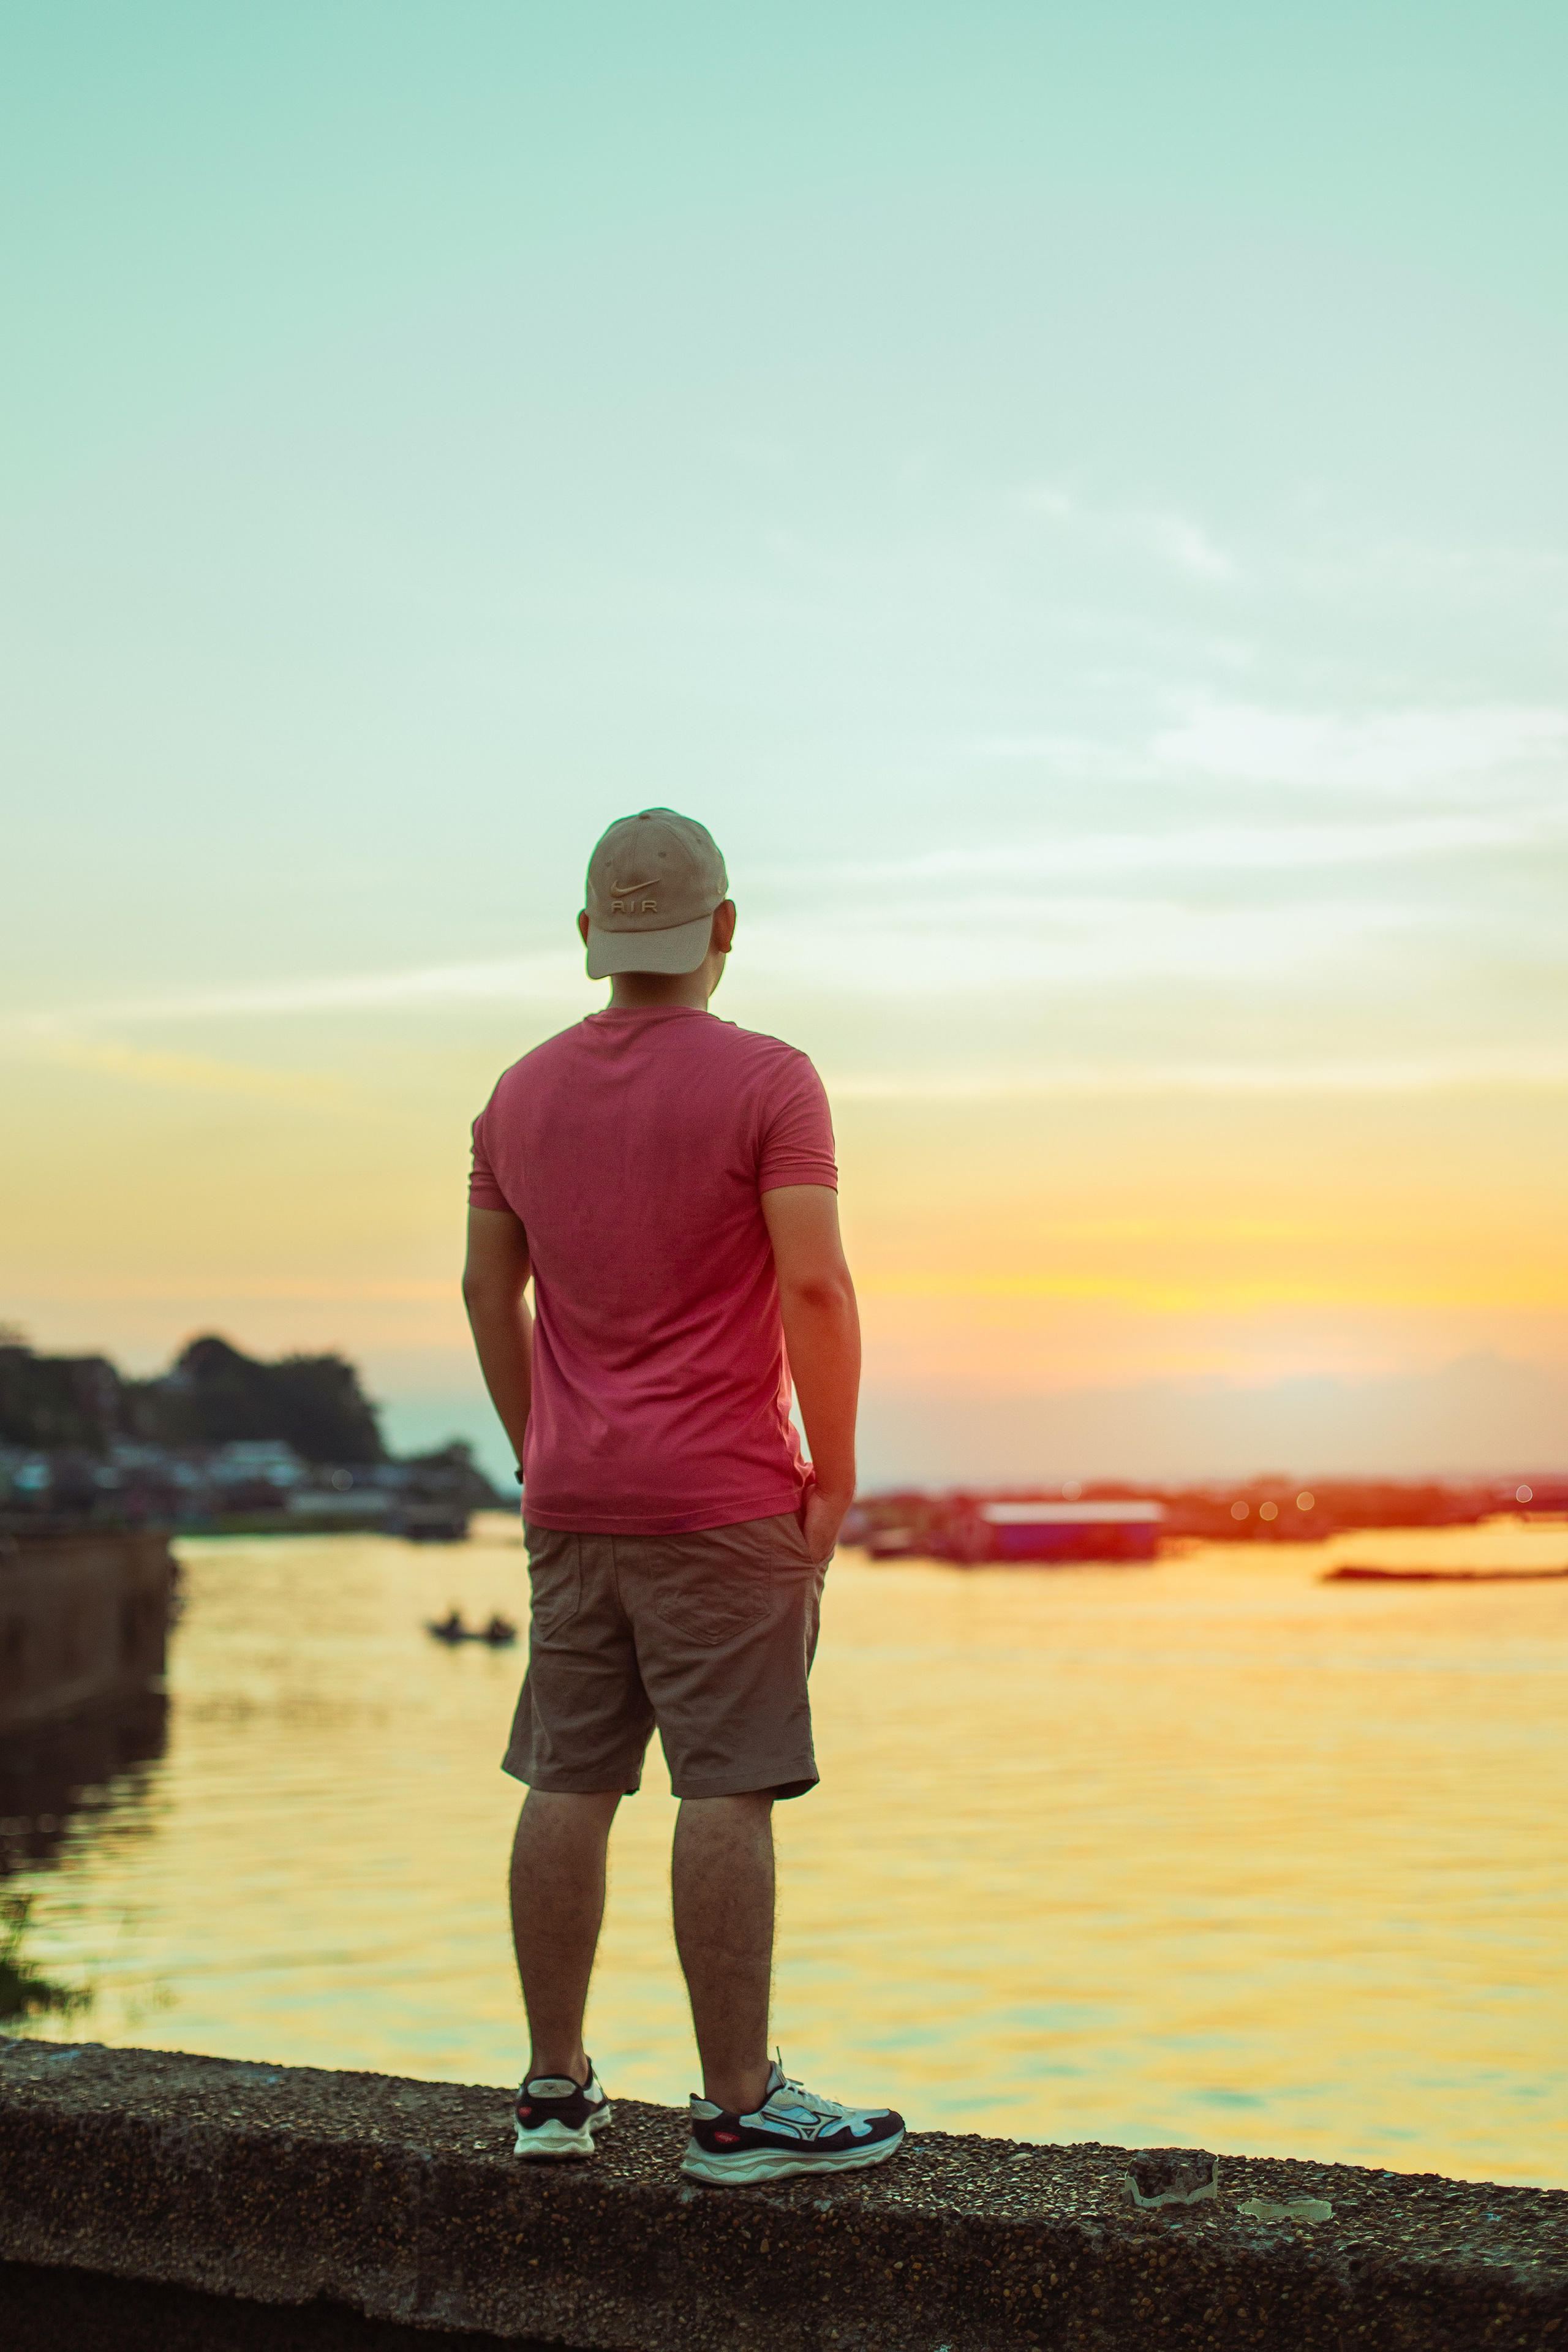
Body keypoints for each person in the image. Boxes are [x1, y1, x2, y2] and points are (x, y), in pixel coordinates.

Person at [462, 807, 904, 2187]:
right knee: (728, 1786)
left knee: (567, 1775)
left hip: (573, 1495)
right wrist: (830, 1474)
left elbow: (489, 1290)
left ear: (591, 935)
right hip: (720, 1497)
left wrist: (540, 1444)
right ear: (721, 932)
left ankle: (551, 2089)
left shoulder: (514, 1096)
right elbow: (815, 1285)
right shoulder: (770, 1081)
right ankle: (733, 2109)